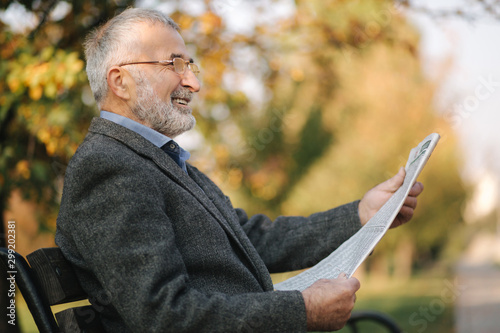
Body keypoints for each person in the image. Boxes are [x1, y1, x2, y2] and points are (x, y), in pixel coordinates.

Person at [55, 7, 424, 332]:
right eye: (175, 65)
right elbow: (165, 316)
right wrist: (303, 310)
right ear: (120, 81)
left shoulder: (157, 160)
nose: (193, 83)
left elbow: (250, 238)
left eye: (190, 66)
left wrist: (362, 214)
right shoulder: (108, 168)